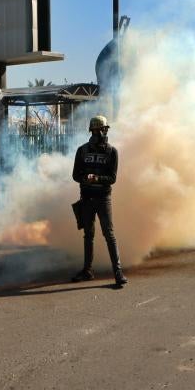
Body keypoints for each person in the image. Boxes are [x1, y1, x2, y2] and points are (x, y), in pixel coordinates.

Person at [71, 115, 127, 287]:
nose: (101, 133)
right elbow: (75, 175)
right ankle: (87, 271)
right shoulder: (82, 150)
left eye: (102, 130)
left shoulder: (112, 151)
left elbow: (112, 178)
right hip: (87, 198)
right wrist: (86, 178)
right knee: (88, 235)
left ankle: (118, 272)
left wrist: (97, 178)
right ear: (92, 131)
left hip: (103, 199)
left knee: (109, 235)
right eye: (98, 130)